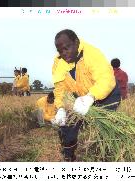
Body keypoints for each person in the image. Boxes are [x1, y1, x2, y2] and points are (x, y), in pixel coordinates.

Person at [51, 29, 121, 161]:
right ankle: (69, 155)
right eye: (60, 51)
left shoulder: (92, 54)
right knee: (66, 124)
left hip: (105, 94)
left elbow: (105, 79)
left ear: (76, 42)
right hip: (80, 96)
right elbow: (59, 88)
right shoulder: (58, 63)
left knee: (104, 127)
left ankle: (104, 157)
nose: (64, 53)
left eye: (67, 48)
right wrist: (60, 107)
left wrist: (91, 97)